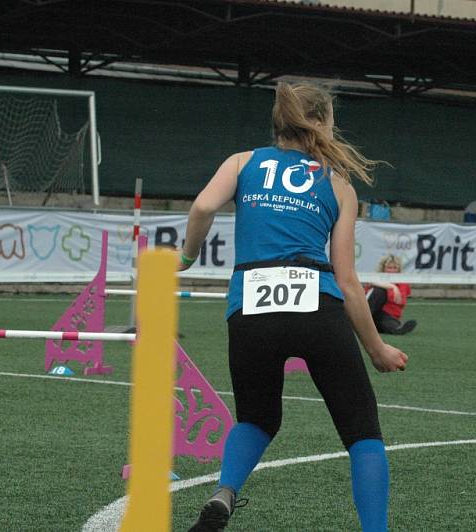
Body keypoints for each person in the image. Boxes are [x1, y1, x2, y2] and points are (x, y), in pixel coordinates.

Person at [179, 81, 408, 532]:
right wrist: (378, 348)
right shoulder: (339, 187)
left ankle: (224, 492)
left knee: (257, 418)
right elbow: (346, 279)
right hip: (318, 307)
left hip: (250, 307)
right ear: (321, 122)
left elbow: (203, 207)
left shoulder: (242, 162)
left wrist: (186, 258)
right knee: (362, 433)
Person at [365, 254, 416, 335]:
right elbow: (370, 282)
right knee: (380, 291)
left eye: (395, 268)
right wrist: (392, 287)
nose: (392, 271)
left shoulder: (403, 283)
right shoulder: (376, 278)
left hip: (387, 316)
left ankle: (397, 329)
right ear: (383, 268)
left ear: (399, 270)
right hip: (371, 313)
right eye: (389, 268)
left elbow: (399, 301)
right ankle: (363, 321)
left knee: (388, 323)